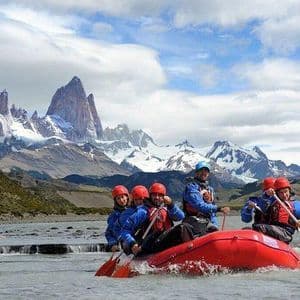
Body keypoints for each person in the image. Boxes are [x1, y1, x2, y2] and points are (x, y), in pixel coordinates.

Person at [119, 182, 184, 255]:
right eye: (154, 195)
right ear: (150, 196)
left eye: (160, 195)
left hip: (165, 241)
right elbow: (125, 230)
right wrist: (132, 243)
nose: (156, 197)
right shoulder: (143, 211)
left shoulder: (167, 208)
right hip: (150, 245)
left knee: (183, 228)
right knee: (176, 230)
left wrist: (171, 204)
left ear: (164, 197)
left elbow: (180, 217)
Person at [182, 161, 230, 237]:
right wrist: (219, 209)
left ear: (208, 174)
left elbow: (212, 212)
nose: (203, 173)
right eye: (201, 170)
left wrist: (215, 224)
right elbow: (199, 205)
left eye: (206, 171)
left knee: (214, 232)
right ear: (196, 172)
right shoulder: (191, 187)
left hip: (207, 222)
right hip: (192, 220)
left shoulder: (210, 189)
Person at [252, 177, 300, 244]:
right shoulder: (273, 201)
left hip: (285, 234)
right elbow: (262, 206)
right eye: (281, 193)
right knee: (250, 228)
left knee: (259, 227)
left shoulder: (296, 205)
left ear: (289, 191)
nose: (284, 195)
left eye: (286, 191)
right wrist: (267, 194)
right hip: (273, 230)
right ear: (277, 193)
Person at [105, 185, 129, 252]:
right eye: (118, 198)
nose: (121, 200)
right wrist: (113, 244)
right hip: (121, 243)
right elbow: (109, 233)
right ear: (115, 201)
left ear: (127, 197)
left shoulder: (133, 210)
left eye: (122, 197)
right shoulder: (114, 215)